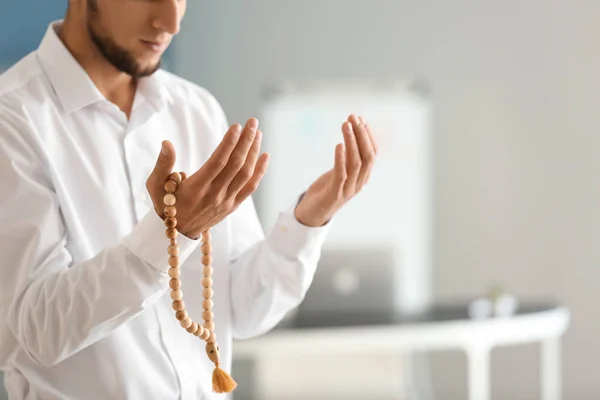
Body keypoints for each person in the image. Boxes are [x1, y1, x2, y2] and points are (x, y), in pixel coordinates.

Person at [0, 0, 378, 399]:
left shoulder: (196, 110)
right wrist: (173, 234)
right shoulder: (13, 122)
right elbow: (33, 330)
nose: (171, 21)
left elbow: (244, 310)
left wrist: (307, 221)